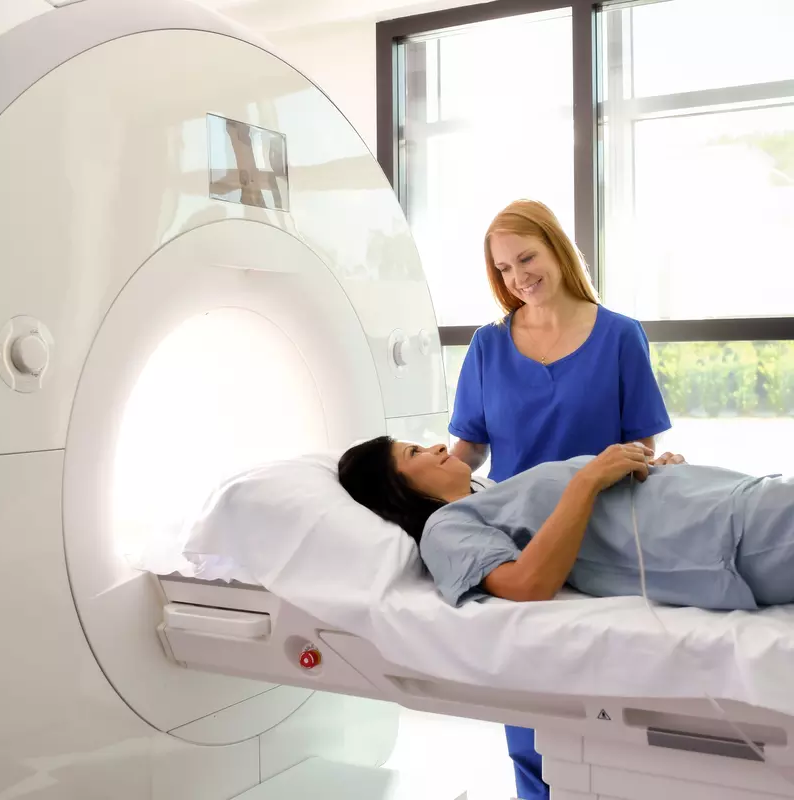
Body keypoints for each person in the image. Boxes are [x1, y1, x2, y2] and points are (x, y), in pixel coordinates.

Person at [447, 198, 673, 798]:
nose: (518, 277)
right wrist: (424, 476)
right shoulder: (487, 346)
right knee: (528, 728)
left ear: (556, 248)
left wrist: (656, 467)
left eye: (527, 257)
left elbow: (639, 446)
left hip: (607, 533)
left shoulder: (620, 336)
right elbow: (468, 449)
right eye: (503, 268)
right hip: (521, 542)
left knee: (600, 723)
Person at [337, 437, 794, 613]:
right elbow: (525, 583)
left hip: (729, 503)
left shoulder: (493, 491)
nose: (435, 446)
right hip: (728, 537)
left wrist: (662, 473)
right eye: (413, 453)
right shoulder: (444, 527)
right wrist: (590, 478)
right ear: (394, 488)